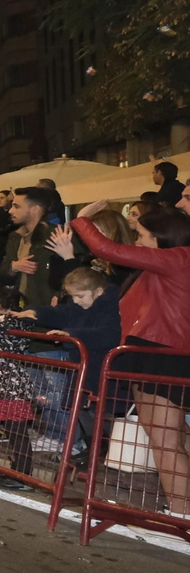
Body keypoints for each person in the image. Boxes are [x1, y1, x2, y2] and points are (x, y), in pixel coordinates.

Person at [71, 200, 190, 517]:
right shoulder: (174, 262)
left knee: (165, 441)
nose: (137, 242)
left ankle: (180, 516)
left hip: (160, 354)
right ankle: (179, 509)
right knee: (171, 439)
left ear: (159, 236)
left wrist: (82, 220)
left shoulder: (176, 259)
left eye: (140, 234)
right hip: (160, 352)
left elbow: (108, 249)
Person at [15, 266, 121, 461]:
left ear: (98, 291)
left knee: (101, 412)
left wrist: (73, 335)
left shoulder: (111, 308)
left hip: (101, 370)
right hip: (82, 368)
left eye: (80, 296)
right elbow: (58, 313)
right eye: (73, 296)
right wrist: (35, 312)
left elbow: (110, 335)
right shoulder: (79, 306)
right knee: (81, 409)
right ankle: (93, 448)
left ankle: (105, 448)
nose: (75, 301)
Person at [0, 285, 39, 491]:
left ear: (7, 310)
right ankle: (16, 470)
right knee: (12, 431)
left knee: (18, 432)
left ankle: (23, 475)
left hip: (11, 387)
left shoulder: (16, 324)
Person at [0, 186, 77, 307]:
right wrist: (13, 267)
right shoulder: (15, 237)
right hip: (20, 308)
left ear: (35, 209)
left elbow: (77, 272)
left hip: (48, 309)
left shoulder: (59, 236)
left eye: (16, 206)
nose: (10, 211)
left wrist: (60, 294)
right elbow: (3, 275)